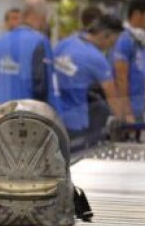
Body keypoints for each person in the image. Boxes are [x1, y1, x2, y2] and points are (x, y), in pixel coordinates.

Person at [54, 14, 127, 149]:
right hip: (76, 123)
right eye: (112, 42)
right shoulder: (96, 58)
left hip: (54, 117)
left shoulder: (65, 43)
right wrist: (125, 121)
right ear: (105, 35)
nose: (111, 47)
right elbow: (113, 98)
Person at [0, 0, 58, 105]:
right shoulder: (40, 42)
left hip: (0, 114)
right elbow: (48, 88)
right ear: (42, 17)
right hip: (27, 114)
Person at [113, 0, 145, 128]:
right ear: (137, 14)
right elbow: (121, 77)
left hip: (141, 105)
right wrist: (127, 112)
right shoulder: (124, 40)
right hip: (130, 109)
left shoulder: (140, 42)